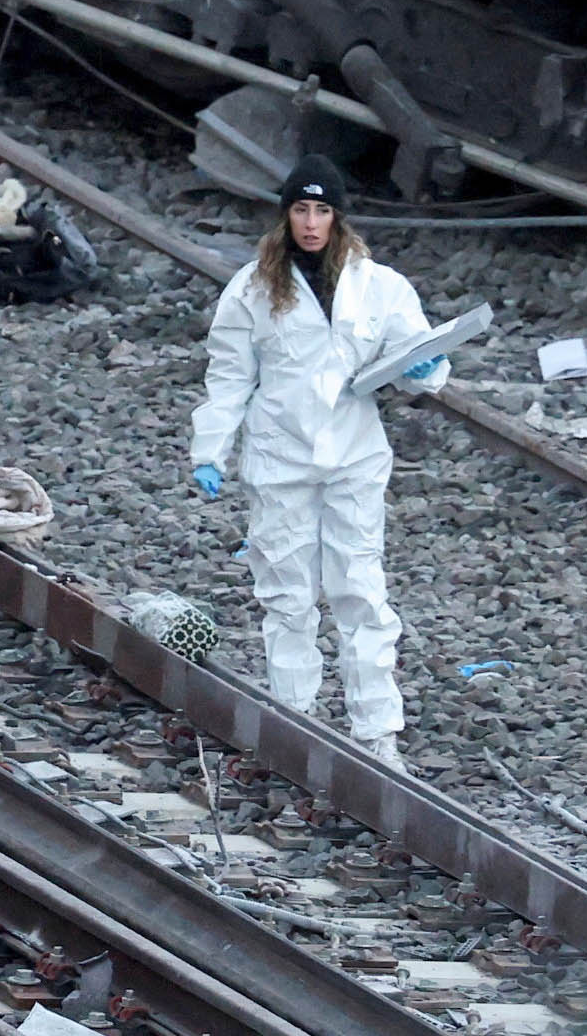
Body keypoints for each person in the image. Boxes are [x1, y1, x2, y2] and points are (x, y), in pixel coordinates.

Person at [189, 155, 447, 754]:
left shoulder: (378, 286)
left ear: (338, 217)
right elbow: (228, 375)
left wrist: (426, 368)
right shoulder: (254, 287)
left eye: (322, 210)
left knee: (360, 589)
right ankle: (293, 721)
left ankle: (377, 731)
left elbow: (417, 355)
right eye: (301, 210)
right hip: (280, 457)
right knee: (287, 593)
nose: (311, 222)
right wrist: (211, 447)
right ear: (285, 216)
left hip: (354, 453)